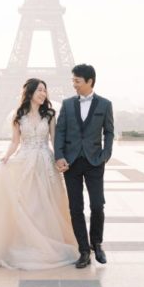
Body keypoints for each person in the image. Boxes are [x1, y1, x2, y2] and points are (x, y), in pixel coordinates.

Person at [0, 79, 77, 270]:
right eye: (40, 90)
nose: (43, 94)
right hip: (24, 163)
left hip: (45, 164)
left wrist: (59, 159)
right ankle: (27, 243)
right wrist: (6, 157)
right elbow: (15, 142)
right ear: (30, 93)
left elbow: (55, 141)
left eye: (45, 91)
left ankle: (46, 242)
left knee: (45, 205)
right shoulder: (18, 115)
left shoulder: (49, 115)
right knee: (28, 205)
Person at [54, 64, 114, 268]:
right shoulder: (67, 104)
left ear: (89, 81)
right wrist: (59, 156)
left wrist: (106, 154)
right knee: (75, 207)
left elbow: (109, 132)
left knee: (97, 205)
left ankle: (96, 243)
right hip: (71, 162)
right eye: (73, 81)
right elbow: (60, 131)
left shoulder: (105, 105)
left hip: (95, 162)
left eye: (77, 81)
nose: (74, 85)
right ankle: (83, 250)